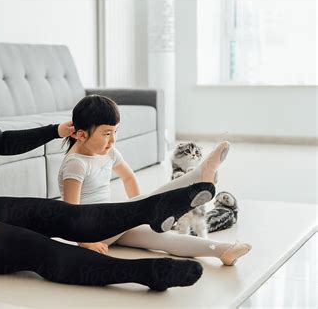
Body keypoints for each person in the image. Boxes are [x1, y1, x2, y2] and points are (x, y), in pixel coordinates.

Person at [0, 8, 216, 292]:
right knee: (38, 249)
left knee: (62, 215)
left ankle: (153, 209)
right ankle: (147, 273)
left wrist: (55, 130)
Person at [58, 95, 251, 265]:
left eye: (115, 131)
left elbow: (128, 177)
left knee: (163, 239)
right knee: (146, 207)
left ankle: (222, 251)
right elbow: (69, 214)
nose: (113, 139)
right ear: (81, 135)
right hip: (91, 230)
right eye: (107, 133)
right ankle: (198, 176)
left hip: (113, 223)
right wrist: (85, 242)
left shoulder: (108, 151)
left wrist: (140, 214)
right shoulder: (76, 164)